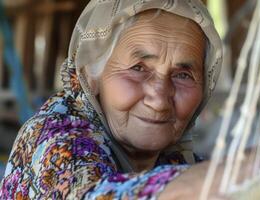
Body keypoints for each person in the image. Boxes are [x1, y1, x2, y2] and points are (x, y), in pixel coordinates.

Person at [0, 0, 224, 199]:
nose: (159, 100)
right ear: (90, 75)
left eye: (183, 75)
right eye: (138, 68)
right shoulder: (51, 137)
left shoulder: (174, 158)